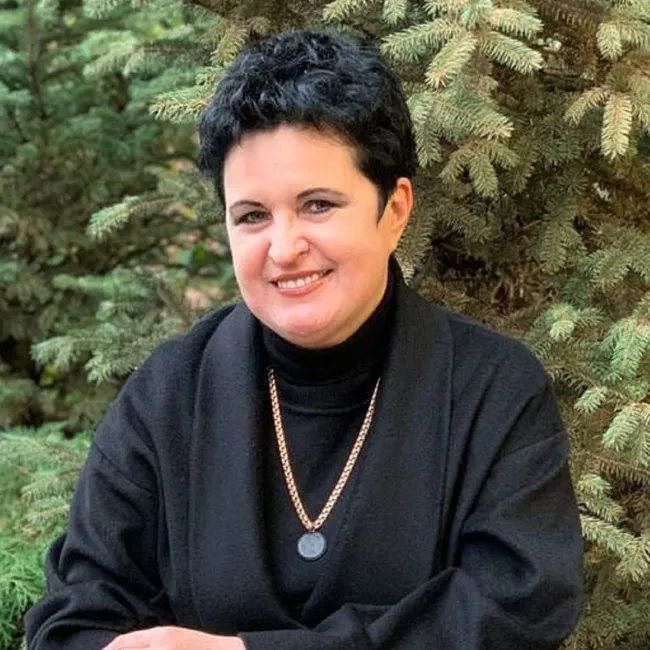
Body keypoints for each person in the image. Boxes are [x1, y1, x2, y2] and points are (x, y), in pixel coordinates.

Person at [25, 28, 584, 650]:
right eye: (252, 216)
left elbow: (515, 612)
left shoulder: (493, 390)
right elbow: (74, 619)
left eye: (318, 205)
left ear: (394, 210)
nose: (284, 248)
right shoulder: (168, 396)